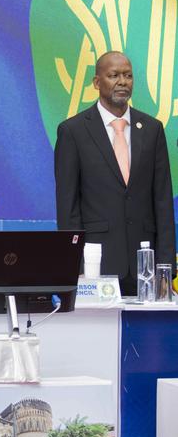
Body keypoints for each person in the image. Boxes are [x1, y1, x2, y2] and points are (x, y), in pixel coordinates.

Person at [55, 51, 175, 296]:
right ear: (97, 82)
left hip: (146, 268)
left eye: (128, 76)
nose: (123, 81)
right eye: (114, 75)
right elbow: (68, 208)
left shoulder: (152, 129)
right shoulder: (73, 131)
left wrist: (166, 269)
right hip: (95, 267)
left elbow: (162, 202)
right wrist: (73, 264)